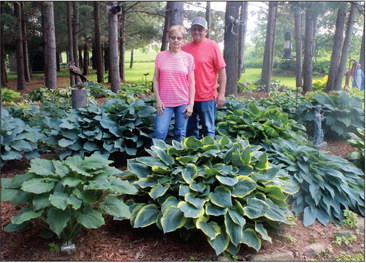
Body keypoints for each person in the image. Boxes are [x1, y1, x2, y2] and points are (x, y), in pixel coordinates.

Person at [182, 17, 227, 138]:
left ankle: (209, 155)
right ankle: (193, 154)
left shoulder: (213, 46)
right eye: (194, 29)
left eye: (200, 29)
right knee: (190, 130)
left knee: (208, 129)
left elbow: (222, 70)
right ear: (191, 31)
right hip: (188, 98)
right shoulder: (184, 48)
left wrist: (221, 93)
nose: (197, 31)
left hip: (207, 96)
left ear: (206, 31)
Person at [152, 25, 195, 142]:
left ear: (183, 40)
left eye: (179, 38)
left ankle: (178, 158)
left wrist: (191, 104)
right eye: (173, 37)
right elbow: (155, 80)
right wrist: (158, 100)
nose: (176, 40)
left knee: (180, 134)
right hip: (164, 103)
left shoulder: (188, 58)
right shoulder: (160, 56)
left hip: (183, 102)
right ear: (168, 39)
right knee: (160, 132)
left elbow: (192, 83)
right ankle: (155, 158)